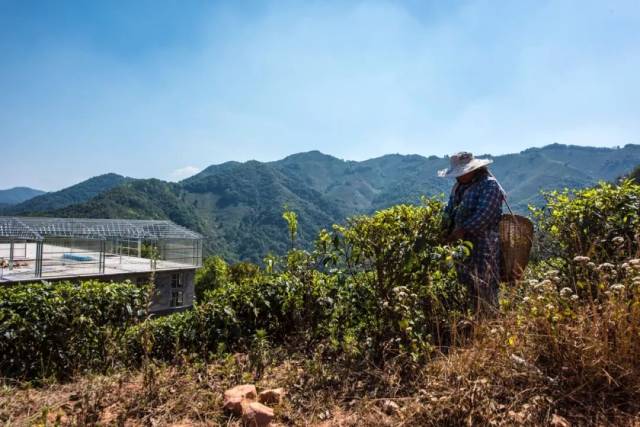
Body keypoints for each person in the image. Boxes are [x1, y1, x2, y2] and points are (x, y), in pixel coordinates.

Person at [439, 152, 505, 314]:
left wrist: (461, 231)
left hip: (484, 245)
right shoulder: (459, 187)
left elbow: (485, 215)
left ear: (472, 170)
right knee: (469, 285)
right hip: (463, 246)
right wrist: (444, 229)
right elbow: (450, 210)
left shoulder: (489, 185)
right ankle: (476, 323)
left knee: (485, 283)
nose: (457, 177)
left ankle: (491, 324)